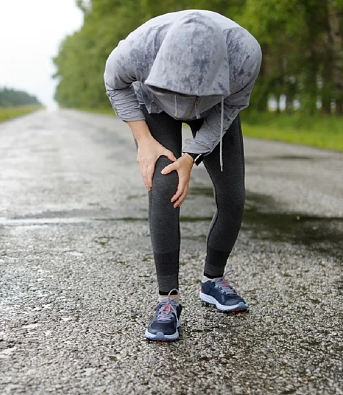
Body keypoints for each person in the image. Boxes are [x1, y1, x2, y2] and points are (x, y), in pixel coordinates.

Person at [104, 10, 262, 341]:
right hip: (155, 106)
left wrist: (192, 155)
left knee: (233, 194)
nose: (185, 102)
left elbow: (231, 108)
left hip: (216, 109)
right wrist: (145, 141)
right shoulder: (138, 49)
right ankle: (168, 300)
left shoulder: (246, 56)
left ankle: (213, 281)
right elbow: (114, 84)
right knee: (165, 187)